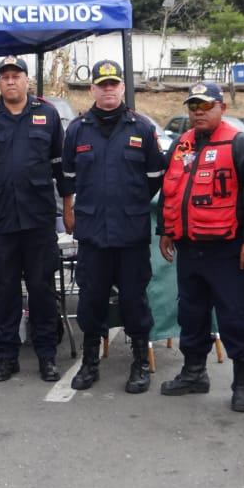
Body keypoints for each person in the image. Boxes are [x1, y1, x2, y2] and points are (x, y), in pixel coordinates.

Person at [157, 80, 244, 411]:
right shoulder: (182, 145)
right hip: (190, 247)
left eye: (206, 106)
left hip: (228, 249)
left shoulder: (242, 145)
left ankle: (243, 381)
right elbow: (170, 189)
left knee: (236, 315)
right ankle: (194, 373)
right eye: (193, 106)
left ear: (222, 107)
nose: (199, 112)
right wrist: (166, 230)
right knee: (191, 312)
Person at [0, 55, 71, 384]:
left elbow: (61, 168)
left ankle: (46, 356)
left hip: (39, 220)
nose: (11, 81)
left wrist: (69, 208)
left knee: (41, 288)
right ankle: (7, 356)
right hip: (2, 220)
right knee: (6, 290)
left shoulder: (48, 115)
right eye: (5, 76)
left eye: (16, 75)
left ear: (27, 81)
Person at [62, 60, 164, 393]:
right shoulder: (77, 130)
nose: (108, 89)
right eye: (101, 84)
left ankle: (139, 364)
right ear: (92, 89)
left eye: (114, 84)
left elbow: (153, 181)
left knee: (135, 299)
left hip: (131, 234)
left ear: (122, 88)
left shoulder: (143, 129)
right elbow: (67, 179)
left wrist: (126, 205)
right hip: (93, 234)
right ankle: (90, 364)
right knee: (91, 299)